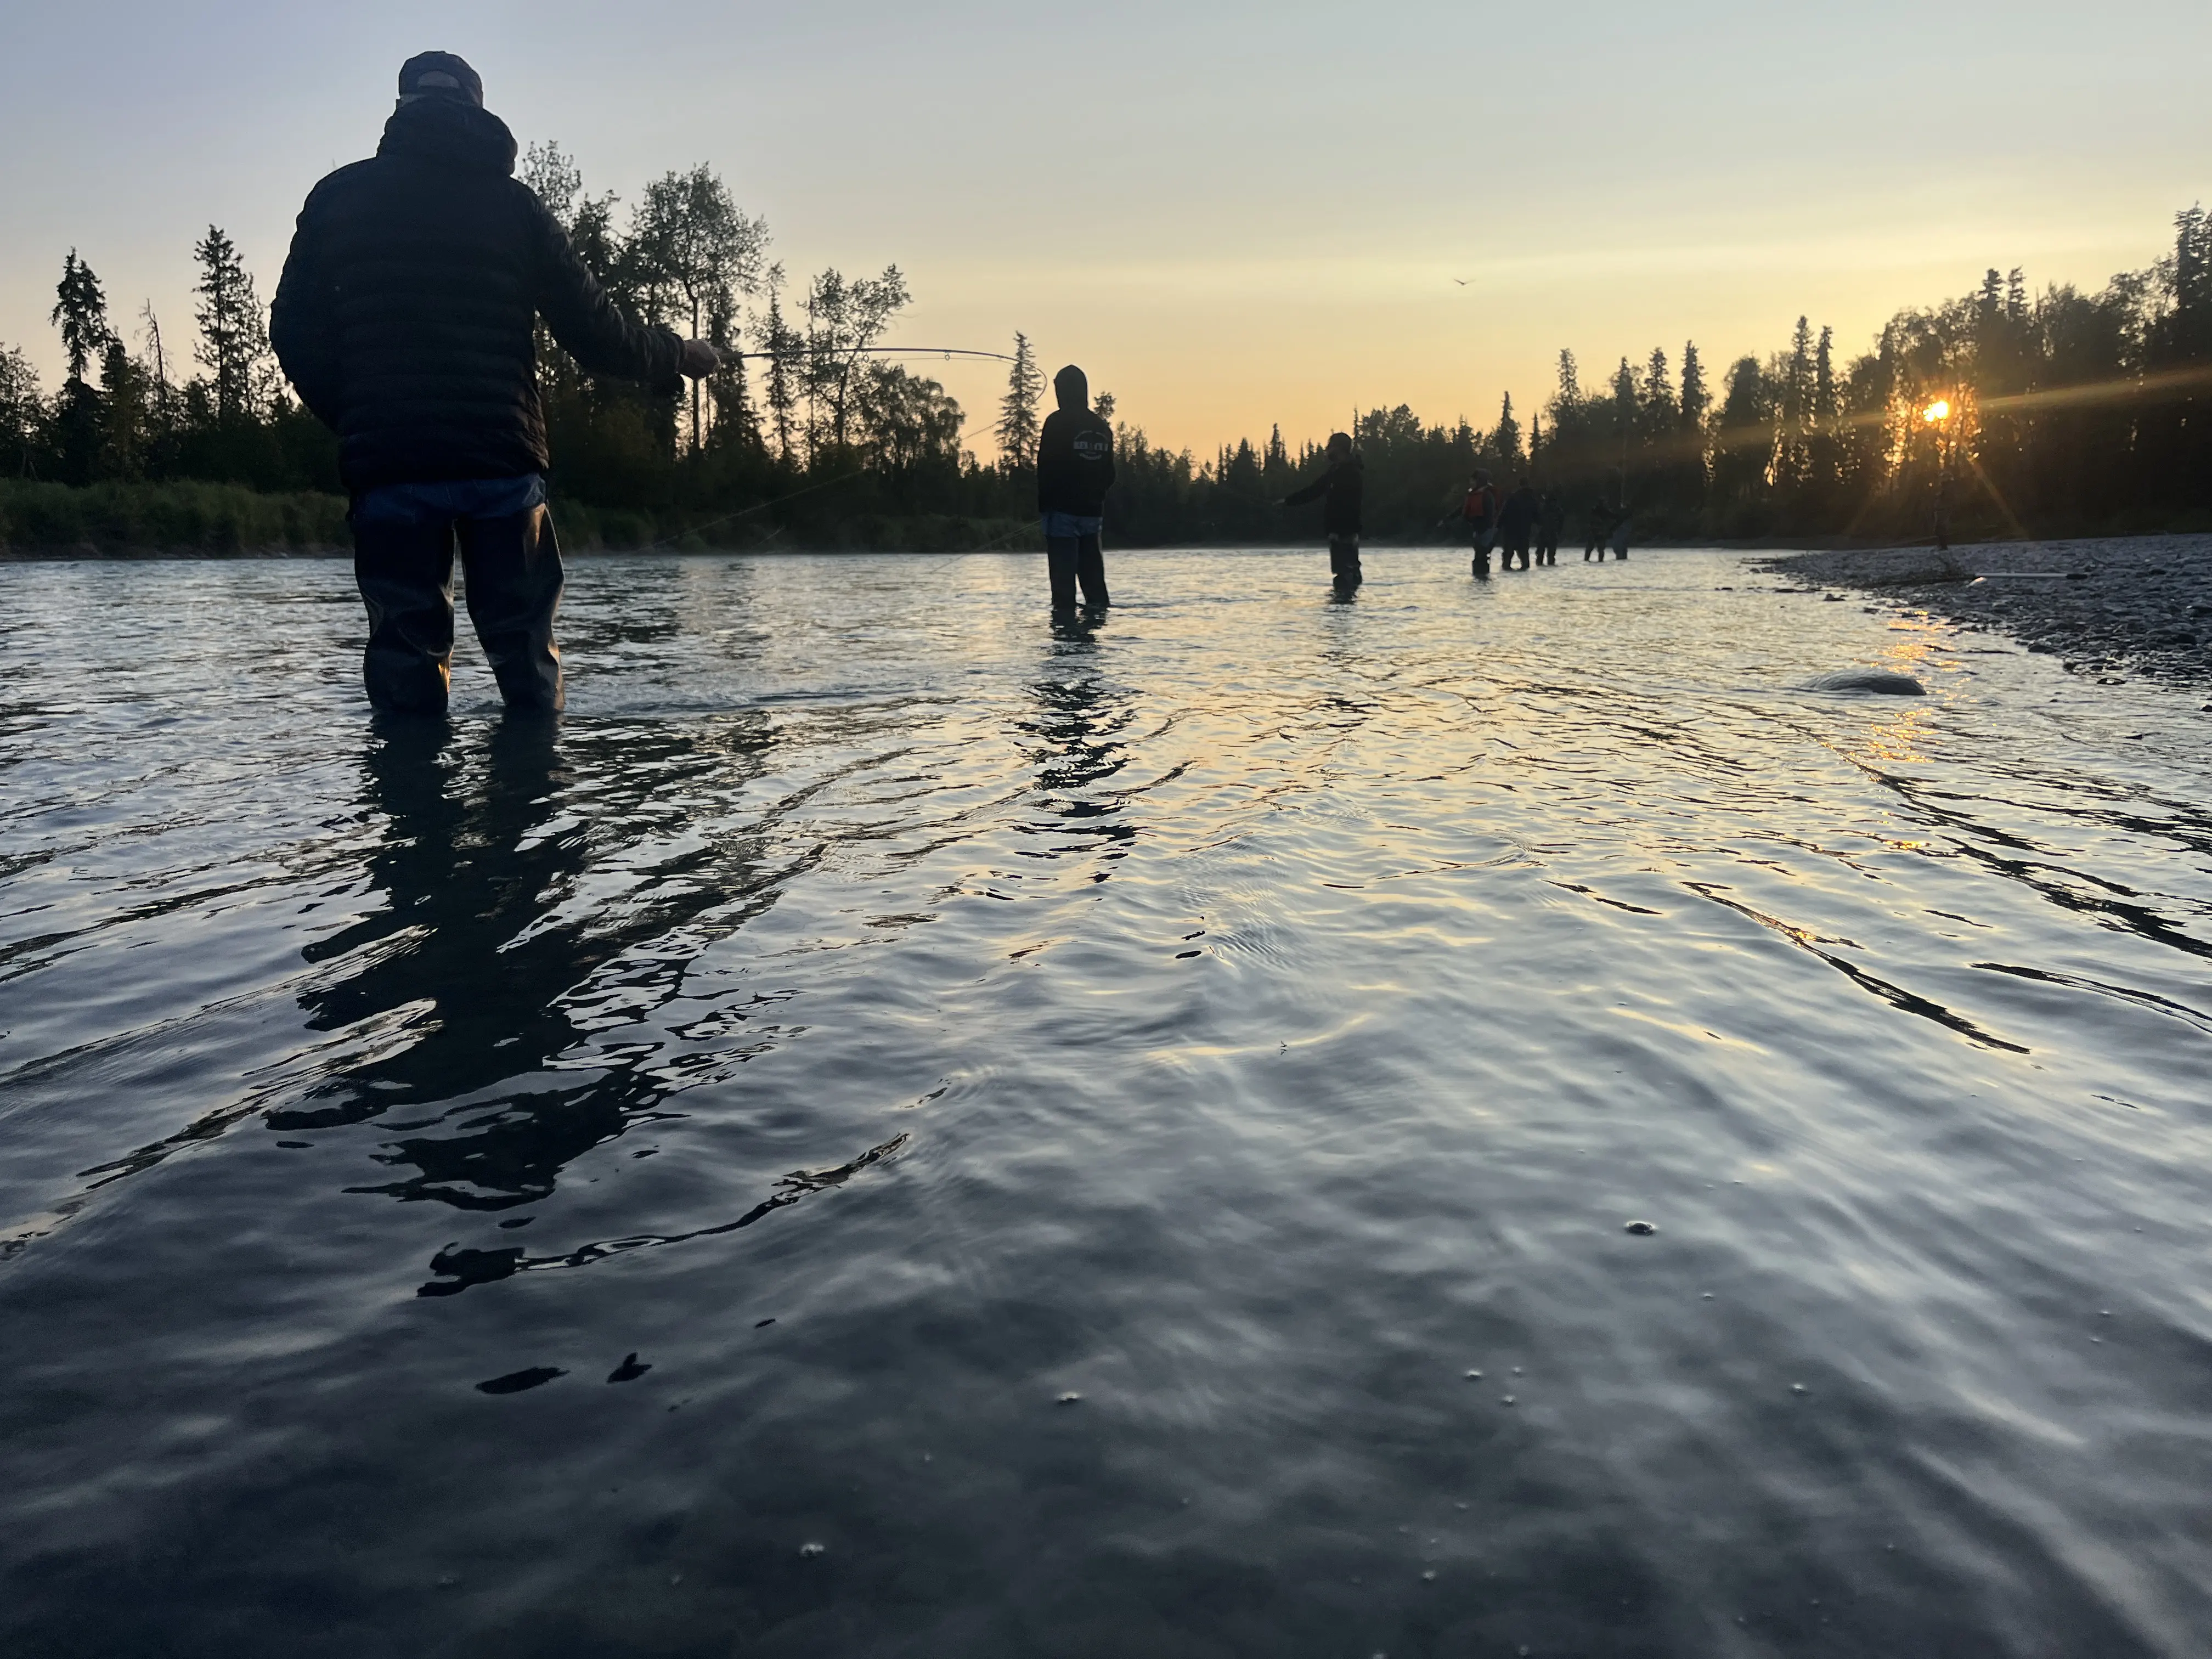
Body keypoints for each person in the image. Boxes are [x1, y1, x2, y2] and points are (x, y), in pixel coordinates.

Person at [271, 51, 719, 716]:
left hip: (391, 465)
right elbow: (596, 331)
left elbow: (292, 332)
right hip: (501, 462)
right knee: (525, 651)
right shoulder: (515, 207)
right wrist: (676, 353)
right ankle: (535, 809)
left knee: (405, 656)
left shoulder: (338, 197)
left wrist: (363, 416)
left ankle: (415, 813)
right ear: (477, 109)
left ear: (401, 109)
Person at [1036, 364, 1116, 612]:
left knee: (1063, 592)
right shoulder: (1101, 426)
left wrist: (1045, 507)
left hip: (1060, 515)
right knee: (1095, 589)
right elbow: (1110, 474)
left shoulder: (1056, 422)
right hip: (1092, 515)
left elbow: (1046, 467)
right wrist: (1094, 497)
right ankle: (1096, 630)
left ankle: (1065, 633)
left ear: (1064, 391)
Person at [1283, 433, 1365, 592]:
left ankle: (1343, 610)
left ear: (1339, 449)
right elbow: (1315, 490)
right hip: (1341, 531)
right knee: (1347, 572)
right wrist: (1288, 501)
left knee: (1345, 573)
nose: (1327, 450)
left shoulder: (1349, 473)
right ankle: (1346, 607)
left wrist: (1339, 531)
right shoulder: (1336, 470)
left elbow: (1348, 505)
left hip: (1344, 531)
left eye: (1330, 446)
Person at [1455, 469, 1500, 575]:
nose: (1471, 483)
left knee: (1482, 556)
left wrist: (1485, 528)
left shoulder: (1487, 495)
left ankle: (1482, 577)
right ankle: (1480, 577)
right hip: (1478, 529)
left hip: (1486, 530)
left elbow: (1490, 514)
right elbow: (1462, 510)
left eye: (1473, 480)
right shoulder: (1473, 495)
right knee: (1479, 556)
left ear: (1479, 481)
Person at [1498, 478, 1539, 571]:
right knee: (1524, 558)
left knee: (1507, 559)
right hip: (1524, 531)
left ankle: (1507, 570)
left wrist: (1497, 526)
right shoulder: (1532, 499)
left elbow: (1504, 513)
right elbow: (1537, 515)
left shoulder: (1512, 498)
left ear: (1519, 485)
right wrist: (1540, 526)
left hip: (1510, 531)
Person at [1537, 490, 1565, 565]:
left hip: (1550, 535)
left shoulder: (1546, 509)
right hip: (1545, 534)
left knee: (1549, 556)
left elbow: (1561, 523)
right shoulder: (1546, 509)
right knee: (1542, 556)